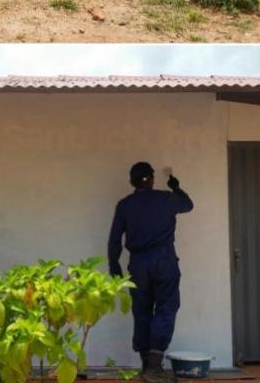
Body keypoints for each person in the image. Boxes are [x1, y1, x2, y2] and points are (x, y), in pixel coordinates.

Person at [107, 162, 194, 383]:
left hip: (138, 263)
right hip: (164, 259)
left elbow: (115, 238)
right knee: (166, 307)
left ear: (132, 182)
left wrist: (113, 264)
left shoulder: (125, 205)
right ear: (152, 179)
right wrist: (176, 187)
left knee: (142, 310)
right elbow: (188, 204)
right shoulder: (166, 199)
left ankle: (147, 364)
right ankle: (154, 367)